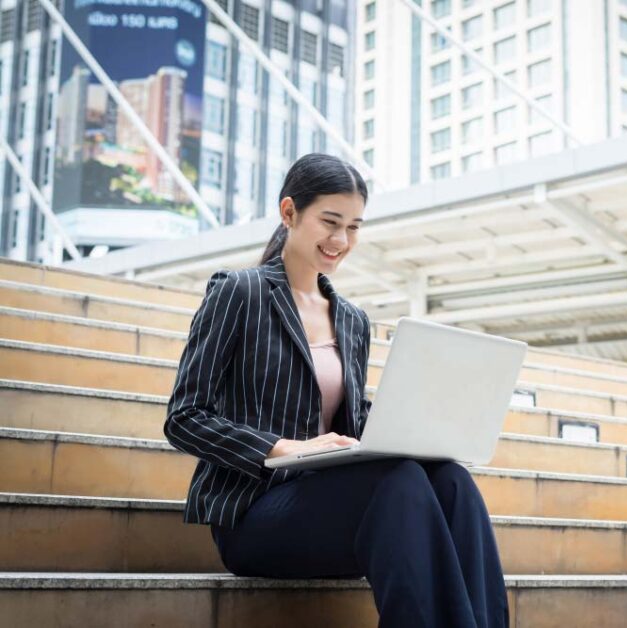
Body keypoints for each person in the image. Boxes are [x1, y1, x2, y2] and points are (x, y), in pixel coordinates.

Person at [164, 153, 509, 627]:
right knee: (400, 483)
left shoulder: (351, 319)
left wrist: (415, 432)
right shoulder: (239, 292)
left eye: (354, 227)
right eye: (330, 222)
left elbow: (353, 426)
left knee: (453, 481)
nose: (341, 241)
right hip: (255, 515)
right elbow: (184, 417)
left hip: (337, 508)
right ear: (289, 213)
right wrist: (289, 448)